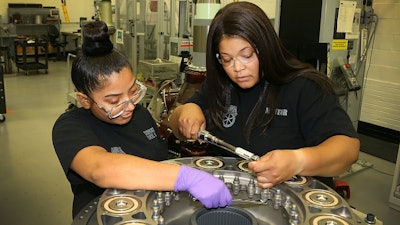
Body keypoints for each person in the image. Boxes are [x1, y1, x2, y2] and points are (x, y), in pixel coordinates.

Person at [167, 2, 360, 189]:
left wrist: (298, 161)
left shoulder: (305, 87)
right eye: (227, 59)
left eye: (247, 55)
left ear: (266, 45)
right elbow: (175, 124)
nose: (237, 68)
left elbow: (348, 150)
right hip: (229, 192)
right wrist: (187, 111)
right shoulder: (220, 83)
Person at [52, 21, 231, 218]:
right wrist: (186, 178)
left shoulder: (140, 115)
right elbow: (100, 168)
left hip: (153, 213)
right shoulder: (70, 126)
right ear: (85, 99)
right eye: (114, 100)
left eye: (132, 91)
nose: (129, 105)